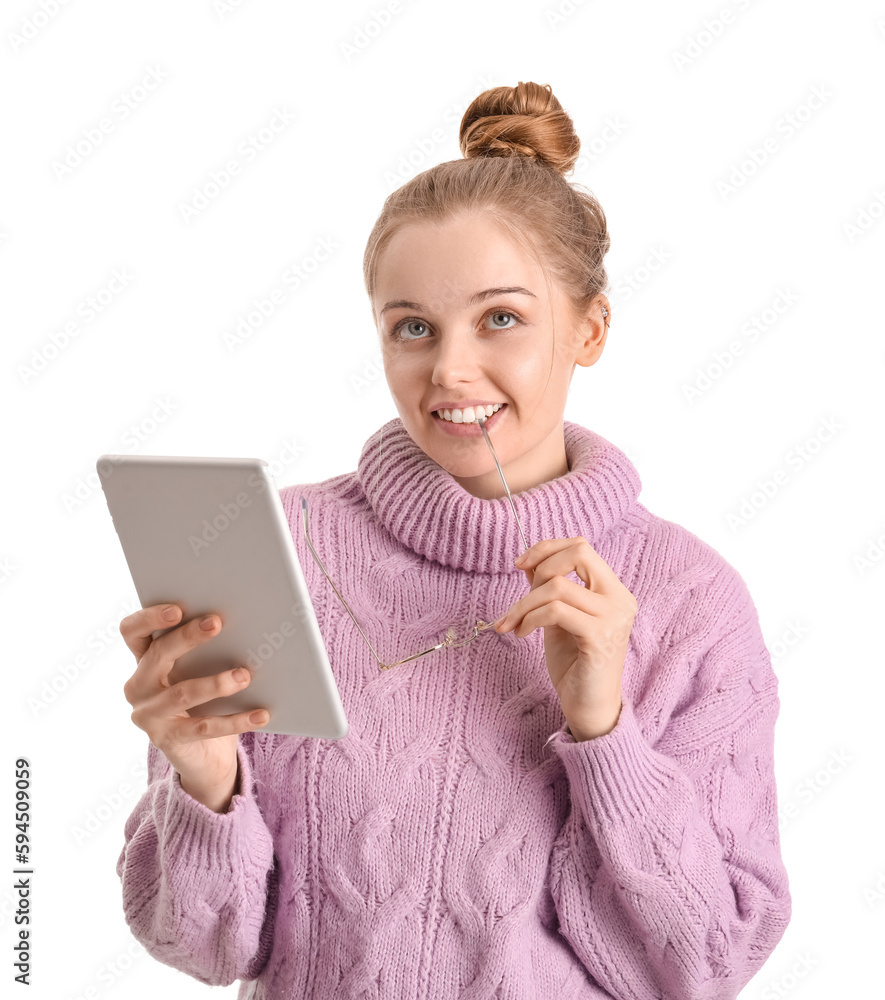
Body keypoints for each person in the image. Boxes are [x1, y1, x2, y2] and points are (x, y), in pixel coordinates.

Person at [116, 81, 791, 999]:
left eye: (500, 318)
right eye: (412, 329)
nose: (449, 369)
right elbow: (198, 946)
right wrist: (201, 785)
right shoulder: (274, 549)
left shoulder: (691, 601)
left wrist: (602, 731)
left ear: (589, 328)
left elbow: (703, 967)